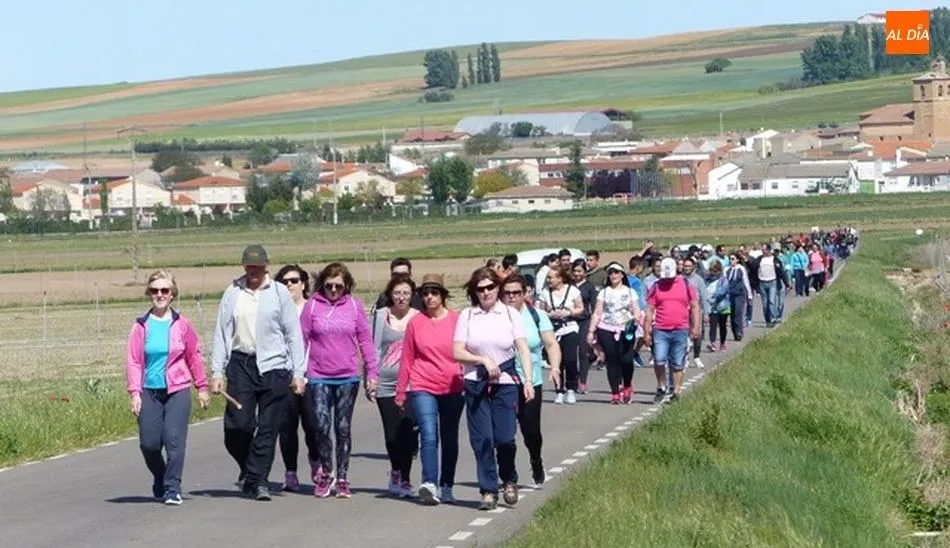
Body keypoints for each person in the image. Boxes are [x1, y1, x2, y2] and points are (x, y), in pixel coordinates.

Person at [210, 245, 307, 501]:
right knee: (238, 426)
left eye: (258, 266)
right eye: (249, 266)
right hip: (241, 363)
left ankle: (259, 481)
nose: (253, 271)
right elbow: (221, 332)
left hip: (274, 367)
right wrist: (217, 371)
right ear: (244, 266)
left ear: (266, 266)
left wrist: (298, 372)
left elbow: (293, 334)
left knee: (268, 428)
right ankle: (249, 469)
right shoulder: (233, 292)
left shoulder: (279, 293)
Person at [453, 267, 534, 511]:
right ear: (474, 291)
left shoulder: (509, 314)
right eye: (480, 289)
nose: (486, 292)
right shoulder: (468, 315)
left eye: (490, 287)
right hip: (476, 383)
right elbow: (457, 351)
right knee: (483, 439)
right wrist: (482, 360)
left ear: (497, 288)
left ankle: (509, 478)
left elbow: (522, 348)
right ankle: (488, 490)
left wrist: (528, 381)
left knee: (504, 437)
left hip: (505, 383)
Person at [126, 269, 210, 506]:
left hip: (177, 389)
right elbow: (133, 361)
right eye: (155, 290)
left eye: (165, 290)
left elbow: (194, 356)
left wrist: (201, 387)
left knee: (174, 441)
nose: (160, 295)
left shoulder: (182, 324)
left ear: (173, 294)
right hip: (149, 390)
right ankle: (161, 477)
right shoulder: (141, 326)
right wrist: (135, 393)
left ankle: (173, 488)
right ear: (149, 293)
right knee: (149, 444)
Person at [300, 262, 379, 499]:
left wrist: (371, 373)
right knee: (321, 426)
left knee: (342, 428)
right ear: (322, 285)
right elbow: (301, 339)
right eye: (329, 286)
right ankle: (327, 472)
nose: (333, 290)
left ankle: (343, 477)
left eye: (338, 286)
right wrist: (298, 373)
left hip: (347, 375)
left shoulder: (354, 306)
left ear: (346, 286)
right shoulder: (312, 306)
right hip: (318, 375)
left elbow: (365, 340)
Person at [395, 274, 465, 506]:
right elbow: (407, 358)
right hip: (422, 385)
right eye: (425, 293)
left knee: (449, 437)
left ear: (443, 296)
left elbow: (468, 350)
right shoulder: (416, 323)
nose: (429, 297)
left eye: (434, 293)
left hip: (453, 385)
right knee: (428, 434)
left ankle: (447, 485)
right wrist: (401, 391)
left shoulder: (456, 320)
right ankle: (429, 483)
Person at [502, 272, 561, 488]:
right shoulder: (496, 317)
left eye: (516, 292)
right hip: (504, 383)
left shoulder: (536, 315)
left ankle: (536, 460)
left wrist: (555, 367)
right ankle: (508, 474)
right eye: (507, 293)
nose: (511, 297)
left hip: (531, 382)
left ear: (524, 293)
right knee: (504, 433)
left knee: (531, 431)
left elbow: (551, 344)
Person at [372, 273, 420, 499]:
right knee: (391, 435)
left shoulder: (418, 317)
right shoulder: (381, 315)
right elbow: (374, 348)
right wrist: (371, 378)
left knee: (407, 432)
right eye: (397, 293)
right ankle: (396, 471)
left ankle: (406, 479)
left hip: (411, 382)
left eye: (406, 293)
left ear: (412, 295)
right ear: (390, 294)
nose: (401, 297)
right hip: (385, 381)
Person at [274, 264, 319, 492]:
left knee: (313, 425)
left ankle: (316, 461)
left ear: (303, 284)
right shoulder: (276, 311)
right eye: (285, 282)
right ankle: (290, 472)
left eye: (294, 280)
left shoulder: (313, 308)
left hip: (312, 374)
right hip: (285, 374)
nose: (289, 285)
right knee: (287, 427)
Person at [644, 258, 701, 404]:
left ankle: (676, 391)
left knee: (677, 362)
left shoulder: (686, 284)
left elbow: (695, 306)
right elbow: (650, 309)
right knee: (659, 359)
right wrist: (646, 330)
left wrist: (696, 326)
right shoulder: (656, 286)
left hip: (680, 329)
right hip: (660, 329)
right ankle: (661, 387)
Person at [587, 262, 642, 405]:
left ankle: (627, 385)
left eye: (616, 272)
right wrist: (591, 331)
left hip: (626, 329)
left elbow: (636, 309)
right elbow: (597, 312)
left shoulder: (630, 292)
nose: (613, 275)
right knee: (612, 360)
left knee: (626, 360)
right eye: (610, 272)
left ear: (622, 275)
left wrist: (636, 319)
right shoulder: (604, 292)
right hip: (607, 328)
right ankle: (615, 392)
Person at [536, 265, 583, 405]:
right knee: (556, 361)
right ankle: (559, 390)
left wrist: (568, 312)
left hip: (569, 328)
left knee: (570, 359)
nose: (548, 280)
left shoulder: (572, 290)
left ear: (560, 278)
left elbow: (580, 308)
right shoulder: (545, 292)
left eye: (551, 278)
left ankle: (571, 388)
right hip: (552, 330)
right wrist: (549, 314)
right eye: (548, 278)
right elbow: (538, 309)